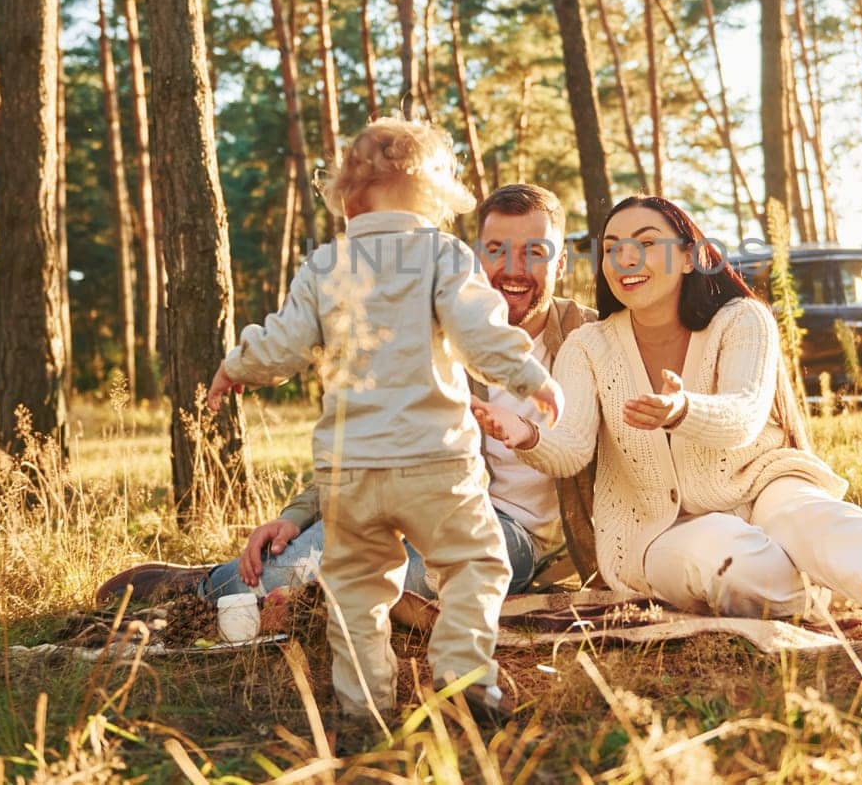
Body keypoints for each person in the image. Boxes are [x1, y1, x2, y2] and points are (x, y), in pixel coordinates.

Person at [477, 195, 862, 670]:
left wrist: (681, 410)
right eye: (613, 246)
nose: (626, 258)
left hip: (763, 485)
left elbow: (747, 415)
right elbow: (573, 448)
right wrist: (527, 437)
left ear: (694, 254)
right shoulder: (589, 345)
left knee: (825, 526)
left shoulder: (741, 320)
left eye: (646, 241)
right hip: (653, 531)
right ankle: (854, 580)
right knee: (736, 562)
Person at [204, 119, 562, 727]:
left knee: (355, 592)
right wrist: (531, 375)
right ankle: (463, 675)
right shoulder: (445, 255)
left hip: (350, 474)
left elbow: (283, 345)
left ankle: (364, 708)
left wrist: (236, 365)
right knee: (476, 564)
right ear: (438, 199)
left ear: (346, 196)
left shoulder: (323, 266)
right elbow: (480, 332)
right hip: (437, 468)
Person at [94, 184, 602, 612]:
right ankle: (212, 590)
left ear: (560, 260)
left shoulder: (589, 339)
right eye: (497, 250)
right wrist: (296, 516)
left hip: (517, 537)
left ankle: (242, 594)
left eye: (535, 252)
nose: (514, 268)